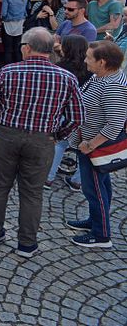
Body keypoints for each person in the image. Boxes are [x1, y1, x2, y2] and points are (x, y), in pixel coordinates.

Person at [0, 27, 84, 258]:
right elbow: (78, 116)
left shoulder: (9, 71)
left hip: (7, 135)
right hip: (42, 139)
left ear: (27, 48)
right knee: (32, 192)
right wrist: (57, 134)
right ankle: (27, 243)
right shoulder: (67, 78)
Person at [66, 41, 127, 248]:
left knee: (94, 190)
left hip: (95, 148)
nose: (84, 60)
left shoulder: (113, 85)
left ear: (102, 62)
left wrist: (91, 145)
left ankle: (101, 235)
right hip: (88, 143)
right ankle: (95, 220)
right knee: (102, 186)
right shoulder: (100, 76)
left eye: (89, 58)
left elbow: (116, 122)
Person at [45, 34, 90, 190]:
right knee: (84, 147)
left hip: (64, 110)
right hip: (85, 111)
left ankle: (48, 177)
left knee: (60, 143)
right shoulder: (90, 68)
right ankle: (77, 181)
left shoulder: (60, 68)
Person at [1, 0, 30, 64]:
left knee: (8, 50)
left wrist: (4, 18)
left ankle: (8, 69)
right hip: (20, 23)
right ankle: (18, 68)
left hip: (8, 24)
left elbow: (4, 13)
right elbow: (28, 8)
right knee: (18, 49)